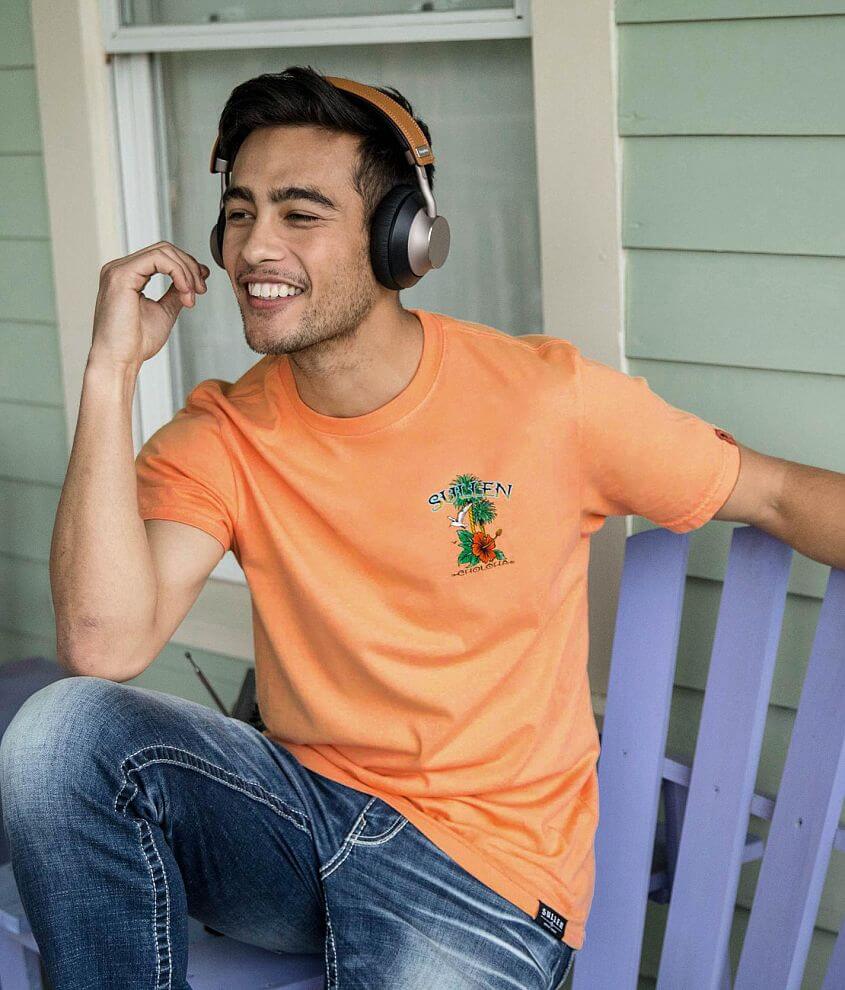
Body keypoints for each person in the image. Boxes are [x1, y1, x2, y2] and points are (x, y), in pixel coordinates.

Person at [2, 65, 841, 990]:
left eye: (299, 213)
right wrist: (110, 372)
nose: (254, 248)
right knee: (60, 734)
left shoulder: (545, 401)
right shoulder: (224, 434)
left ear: (401, 237)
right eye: (239, 213)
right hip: (296, 826)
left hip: (477, 873)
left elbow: (776, 495)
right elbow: (103, 643)